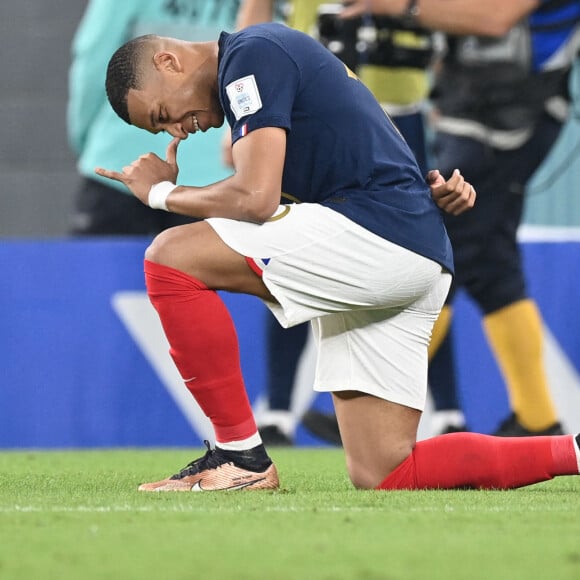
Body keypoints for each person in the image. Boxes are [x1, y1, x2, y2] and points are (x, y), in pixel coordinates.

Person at [95, 24, 580, 492]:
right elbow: (361, 147)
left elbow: (255, 197)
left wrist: (162, 193)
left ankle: (239, 457)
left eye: (163, 114)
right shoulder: (267, 58)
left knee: (170, 256)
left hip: (379, 237)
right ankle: (573, 452)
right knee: (385, 470)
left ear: (168, 61)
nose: (179, 130)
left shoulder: (249, 58)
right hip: (411, 246)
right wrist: (429, 188)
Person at [343, 0, 580, 437]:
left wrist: (398, 7)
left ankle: (370, 395)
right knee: (493, 268)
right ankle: (538, 419)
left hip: (512, 119)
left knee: (438, 256)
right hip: (476, 113)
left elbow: (494, 17)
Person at [237, 0, 463, 446]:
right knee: (289, 250)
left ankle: (446, 410)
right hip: (310, 111)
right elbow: (256, 14)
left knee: (419, 253)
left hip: (399, 107)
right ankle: (279, 410)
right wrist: (243, 121)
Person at [67, 0, 239, 236]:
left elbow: (93, 57)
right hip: (219, 176)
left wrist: (86, 141)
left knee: (97, 272)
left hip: (121, 163)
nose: (175, 131)